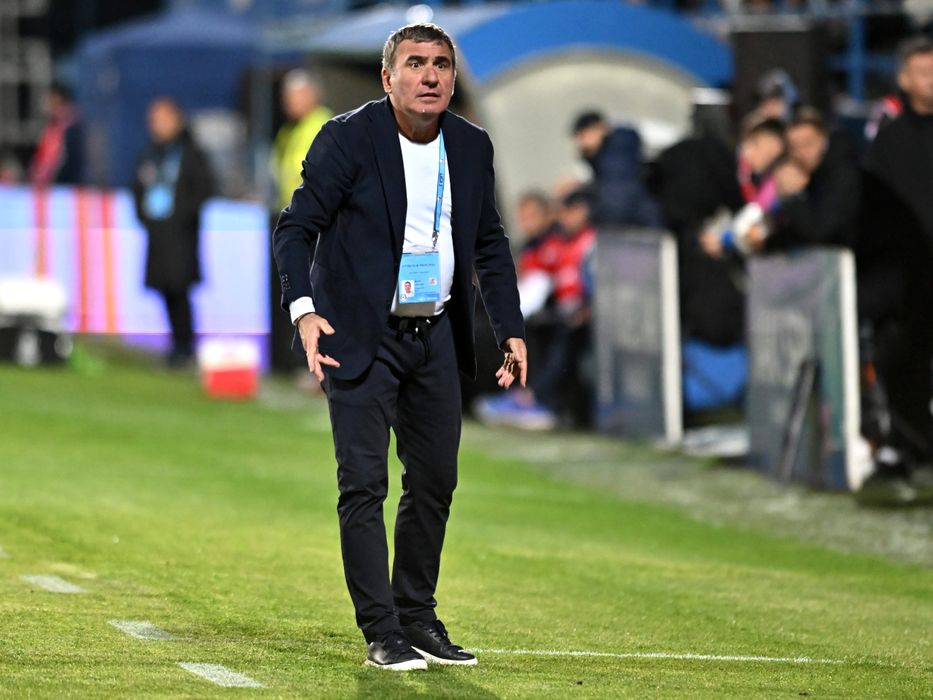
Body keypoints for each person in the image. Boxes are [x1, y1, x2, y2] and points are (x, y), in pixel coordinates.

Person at [272, 23, 526, 670]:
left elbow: (489, 242)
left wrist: (510, 328)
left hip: (435, 334)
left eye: (441, 63)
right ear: (388, 78)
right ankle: (381, 630)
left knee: (436, 480)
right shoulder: (347, 138)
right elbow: (296, 229)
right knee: (363, 483)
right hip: (359, 334)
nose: (430, 75)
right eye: (415, 63)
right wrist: (304, 311)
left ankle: (416, 616)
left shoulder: (470, 145)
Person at [857, 36, 933, 498]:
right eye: (923, 72)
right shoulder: (888, 140)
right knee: (904, 363)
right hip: (908, 276)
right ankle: (908, 445)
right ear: (904, 80)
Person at [474, 187, 596, 430]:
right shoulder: (533, 246)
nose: (526, 223)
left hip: (564, 313)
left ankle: (534, 398)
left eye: (531, 216)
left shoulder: (568, 244)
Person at [132, 97, 213, 367]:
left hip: (181, 236)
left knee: (180, 289)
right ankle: (176, 345)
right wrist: (146, 216)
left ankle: (185, 347)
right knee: (165, 289)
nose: (156, 125)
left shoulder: (190, 153)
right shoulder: (149, 153)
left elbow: (204, 189)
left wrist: (181, 217)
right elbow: (138, 188)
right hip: (158, 234)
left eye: (162, 119)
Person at [766, 107, 860, 251]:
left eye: (807, 143)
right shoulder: (805, 172)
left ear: (823, 139)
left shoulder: (843, 173)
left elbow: (821, 232)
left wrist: (794, 195)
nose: (800, 153)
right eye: (793, 147)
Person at [571, 110, 663, 229]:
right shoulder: (603, 158)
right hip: (640, 221)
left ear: (599, 128)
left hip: (635, 224)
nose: (580, 143)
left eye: (582, 136)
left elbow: (617, 196)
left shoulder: (618, 150)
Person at [271, 70, 333, 212]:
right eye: (287, 97)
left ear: (311, 95)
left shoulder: (324, 124)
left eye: (297, 96)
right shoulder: (286, 130)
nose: (290, 102)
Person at [30, 83, 84, 187]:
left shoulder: (72, 128)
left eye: (48, 98)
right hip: (47, 187)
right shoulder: (51, 127)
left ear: (57, 98)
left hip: (62, 188)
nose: (44, 102)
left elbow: (68, 164)